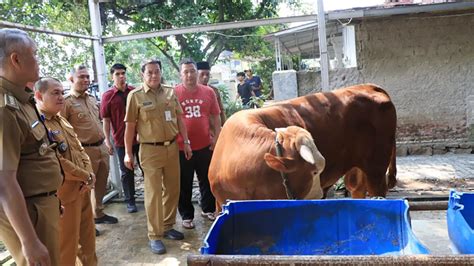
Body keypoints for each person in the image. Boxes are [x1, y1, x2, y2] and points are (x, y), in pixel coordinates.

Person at [0, 28, 63, 266]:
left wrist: (52, 199)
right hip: (28, 212)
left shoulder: (21, 100)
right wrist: (29, 241)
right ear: (15, 59)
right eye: (34, 54)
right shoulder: (5, 109)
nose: (38, 60)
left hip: (40, 205)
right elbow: (4, 183)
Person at [124, 59, 192, 254]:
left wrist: (185, 142)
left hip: (172, 148)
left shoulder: (170, 92)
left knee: (172, 189)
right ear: (142, 75)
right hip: (149, 150)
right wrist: (128, 153)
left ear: (161, 72)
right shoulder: (134, 96)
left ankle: (168, 225)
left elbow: (179, 118)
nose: (154, 75)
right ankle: (154, 235)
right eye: (150, 72)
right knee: (153, 194)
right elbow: (129, 127)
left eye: (157, 71)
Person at [35, 77, 97, 266]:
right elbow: (58, 162)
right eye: (55, 93)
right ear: (39, 95)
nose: (61, 97)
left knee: (88, 242)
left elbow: (79, 150)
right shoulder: (40, 125)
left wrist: (89, 175)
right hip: (64, 196)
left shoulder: (61, 120)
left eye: (62, 92)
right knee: (67, 248)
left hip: (82, 190)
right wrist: (86, 176)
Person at [61, 65, 118, 225]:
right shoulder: (66, 102)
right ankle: (85, 224)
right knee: (84, 189)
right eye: (82, 77)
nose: (86, 80)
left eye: (87, 76)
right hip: (84, 152)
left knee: (101, 184)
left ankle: (98, 214)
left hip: (101, 147)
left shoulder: (92, 99)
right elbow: (61, 131)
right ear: (71, 79)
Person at [175, 58, 221, 230]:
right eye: (186, 72)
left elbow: (216, 116)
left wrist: (217, 138)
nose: (189, 75)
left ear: (197, 72)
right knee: (184, 182)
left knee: (206, 179)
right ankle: (187, 215)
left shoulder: (208, 92)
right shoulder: (174, 93)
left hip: (205, 145)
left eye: (192, 71)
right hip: (182, 147)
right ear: (181, 75)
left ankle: (208, 209)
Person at [101, 63, 140, 213]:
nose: (121, 76)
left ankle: (151, 197)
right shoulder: (108, 96)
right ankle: (130, 201)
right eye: (117, 74)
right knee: (126, 171)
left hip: (139, 139)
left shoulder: (134, 92)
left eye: (123, 73)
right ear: (112, 76)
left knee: (146, 168)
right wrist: (107, 140)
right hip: (120, 141)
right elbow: (106, 120)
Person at [196, 61, 226, 125]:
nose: (205, 77)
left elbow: (221, 111)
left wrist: (224, 127)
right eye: (202, 74)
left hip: (214, 130)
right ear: (196, 75)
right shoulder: (190, 91)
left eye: (207, 74)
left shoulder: (214, 91)